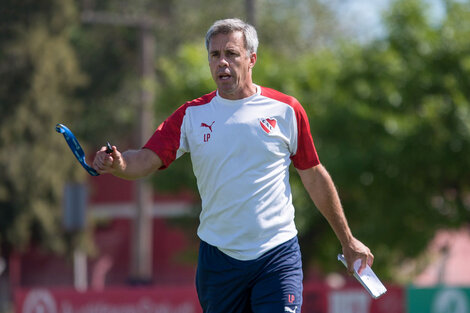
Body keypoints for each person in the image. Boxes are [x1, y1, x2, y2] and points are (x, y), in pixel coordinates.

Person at [93, 18, 374, 313]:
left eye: (231, 54)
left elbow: (314, 176)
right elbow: (145, 159)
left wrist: (348, 239)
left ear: (251, 59)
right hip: (219, 260)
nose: (222, 63)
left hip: (277, 254)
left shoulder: (286, 110)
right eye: (215, 56)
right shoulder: (191, 115)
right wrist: (119, 163)